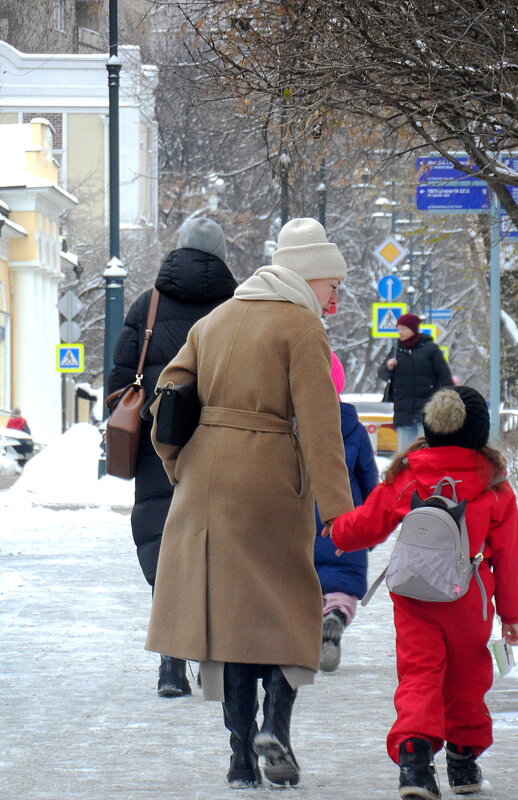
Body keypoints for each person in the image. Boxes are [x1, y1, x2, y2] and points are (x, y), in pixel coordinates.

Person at [146, 218, 355, 788]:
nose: (335, 297)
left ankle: (240, 756)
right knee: (290, 613)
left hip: (205, 487)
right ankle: (276, 732)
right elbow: (320, 427)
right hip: (270, 484)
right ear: (309, 275)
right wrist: (340, 512)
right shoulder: (300, 327)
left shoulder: (216, 320)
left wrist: (178, 466)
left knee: (233, 624)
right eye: (332, 284)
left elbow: (166, 401)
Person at [327, 386, 518, 798]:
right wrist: (512, 614)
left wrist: (338, 533)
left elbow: (371, 519)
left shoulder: (410, 473)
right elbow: (510, 556)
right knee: (468, 678)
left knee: (419, 675)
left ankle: (415, 763)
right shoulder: (494, 485)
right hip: (469, 600)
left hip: (415, 595)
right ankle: (462, 759)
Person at [107, 215, 237, 697]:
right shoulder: (237, 303)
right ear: (221, 253)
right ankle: (214, 664)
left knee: (162, 543)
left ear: (179, 247)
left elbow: (120, 379)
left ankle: (169, 665)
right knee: (218, 549)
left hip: (157, 443)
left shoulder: (148, 304)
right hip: (221, 445)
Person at [314, 351, 379, 672]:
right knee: (341, 587)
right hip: (345, 521)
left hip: (301, 517)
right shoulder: (353, 428)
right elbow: (370, 481)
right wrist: (368, 530)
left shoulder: (293, 424)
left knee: (302, 587)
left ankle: (309, 629)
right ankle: (336, 614)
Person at [378, 313, 453, 453]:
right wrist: (388, 367)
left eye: (403, 329)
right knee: (405, 453)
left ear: (413, 329)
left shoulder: (430, 349)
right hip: (403, 412)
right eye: (398, 329)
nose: (400, 332)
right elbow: (382, 374)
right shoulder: (396, 351)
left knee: (427, 450)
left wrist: (447, 401)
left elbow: (445, 376)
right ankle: (408, 475)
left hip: (427, 411)